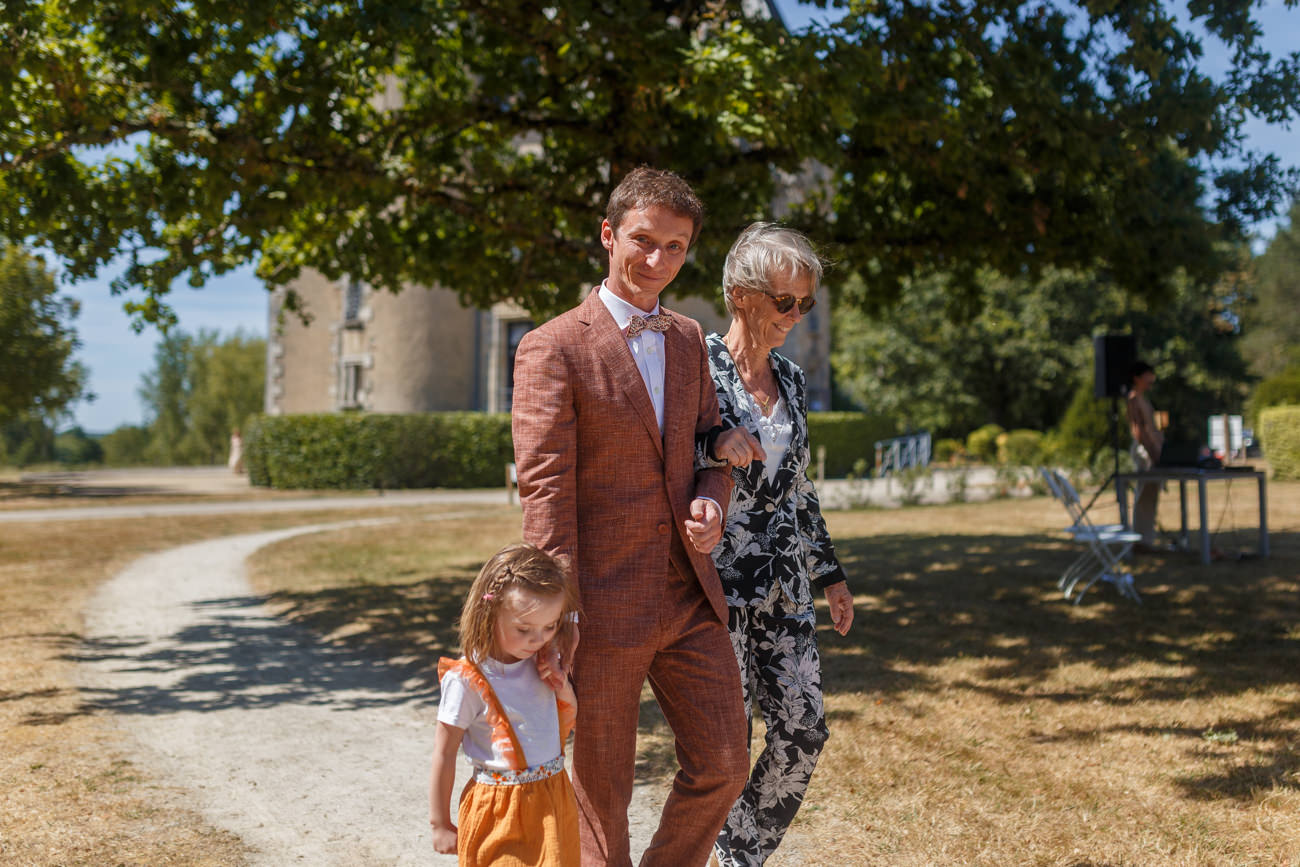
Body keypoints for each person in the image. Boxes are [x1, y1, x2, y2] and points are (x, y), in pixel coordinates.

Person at [511, 166, 749, 866]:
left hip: (689, 596)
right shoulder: (552, 346)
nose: (658, 261)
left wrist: (714, 496)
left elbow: (711, 445)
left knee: (725, 763)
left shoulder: (687, 339)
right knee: (600, 796)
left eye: (676, 247)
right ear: (608, 234)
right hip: (602, 607)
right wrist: (558, 613)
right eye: (644, 240)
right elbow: (545, 491)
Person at [700, 223, 855, 866]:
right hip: (720, 582)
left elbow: (800, 486)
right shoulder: (696, 366)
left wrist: (831, 576)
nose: (796, 315)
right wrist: (713, 446)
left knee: (803, 732)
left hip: (786, 584)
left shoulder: (791, 378)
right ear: (741, 294)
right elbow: (666, 455)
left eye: (806, 304)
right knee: (726, 748)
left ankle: (737, 856)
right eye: (784, 301)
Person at [429, 543, 582, 865]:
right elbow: (443, 753)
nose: (538, 638)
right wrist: (440, 823)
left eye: (550, 626)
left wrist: (563, 690)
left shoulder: (543, 663)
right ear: (489, 611)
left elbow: (562, 729)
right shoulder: (468, 679)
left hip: (554, 799)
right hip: (499, 810)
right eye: (524, 629)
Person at [1126, 360, 1163, 551]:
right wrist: (1151, 451)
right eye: (1148, 374)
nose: (1152, 378)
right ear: (1137, 377)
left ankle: (1146, 539)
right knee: (1144, 497)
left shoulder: (1144, 399)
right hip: (1144, 451)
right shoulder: (1133, 399)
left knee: (1151, 496)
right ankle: (1140, 541)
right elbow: (1138, 429)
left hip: (1152, 448)